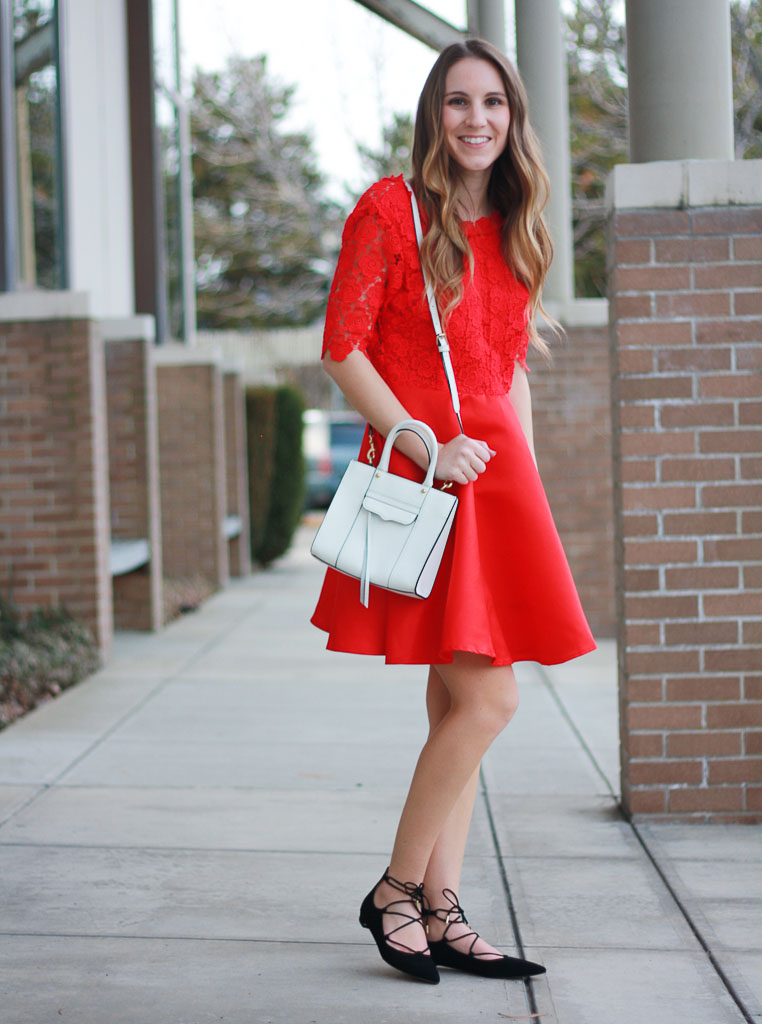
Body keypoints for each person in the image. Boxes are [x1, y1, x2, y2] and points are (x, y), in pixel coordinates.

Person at [311, 38, 596, 985]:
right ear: (435, 115)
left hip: (500, 482)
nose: (478, 120)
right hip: (427, 468)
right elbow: (344, 349)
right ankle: (396, 889)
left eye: (495, 105)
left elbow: (505, 368)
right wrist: (426, 442)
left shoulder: (518, 222)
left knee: (456, 700)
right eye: (459, 102)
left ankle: (441, 907)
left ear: (514, 120)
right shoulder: (390, 211)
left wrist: (528, 484)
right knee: (490, 699)